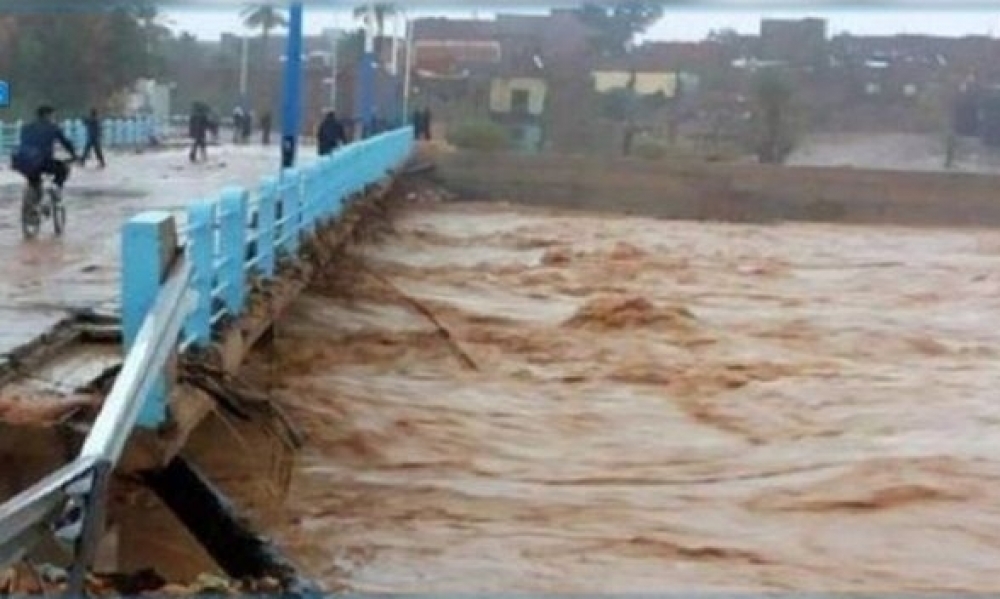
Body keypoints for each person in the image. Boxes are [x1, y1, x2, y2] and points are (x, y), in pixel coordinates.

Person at [11, 105, 78, 199]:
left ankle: (33, 203)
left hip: (22, 162)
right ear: (47, 115)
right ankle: (55, 188)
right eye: (53, 116)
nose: (54, 118)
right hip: (42, 162)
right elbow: (66, 143)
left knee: (34, 180)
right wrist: (74, 155)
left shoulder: (26, 127)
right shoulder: (53, 127)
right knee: (63, 169)